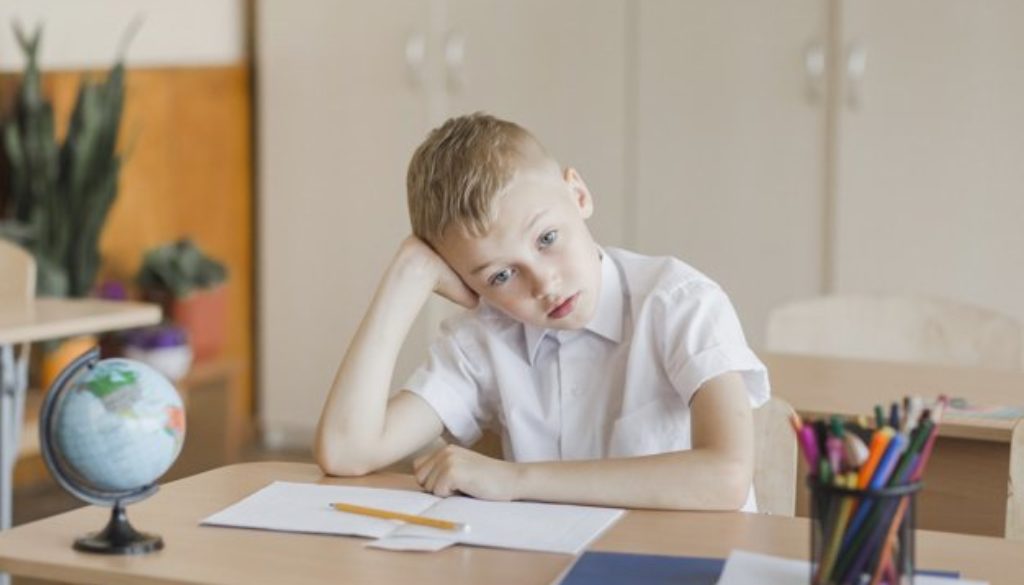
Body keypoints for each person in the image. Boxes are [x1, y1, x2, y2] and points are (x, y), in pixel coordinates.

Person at [314, 113, 770, 511]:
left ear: (579, 195)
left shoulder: (680, 303)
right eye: (500, 276)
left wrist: (516, 480)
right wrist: (407, 276)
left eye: (547, 239)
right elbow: (346, 450)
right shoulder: (485, 338)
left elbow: (726, 476)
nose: (544, 283)